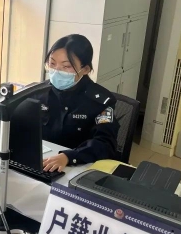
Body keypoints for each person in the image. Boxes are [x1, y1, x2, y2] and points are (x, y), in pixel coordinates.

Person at [31, 34, 120, 172]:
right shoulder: (38, 93)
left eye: (66, 66)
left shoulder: (101, 102)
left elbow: (105, 143)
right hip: (43, 162)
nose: (56, 71)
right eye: (52, 64)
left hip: (80, 166)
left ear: (85, 69)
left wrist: (69, 156)